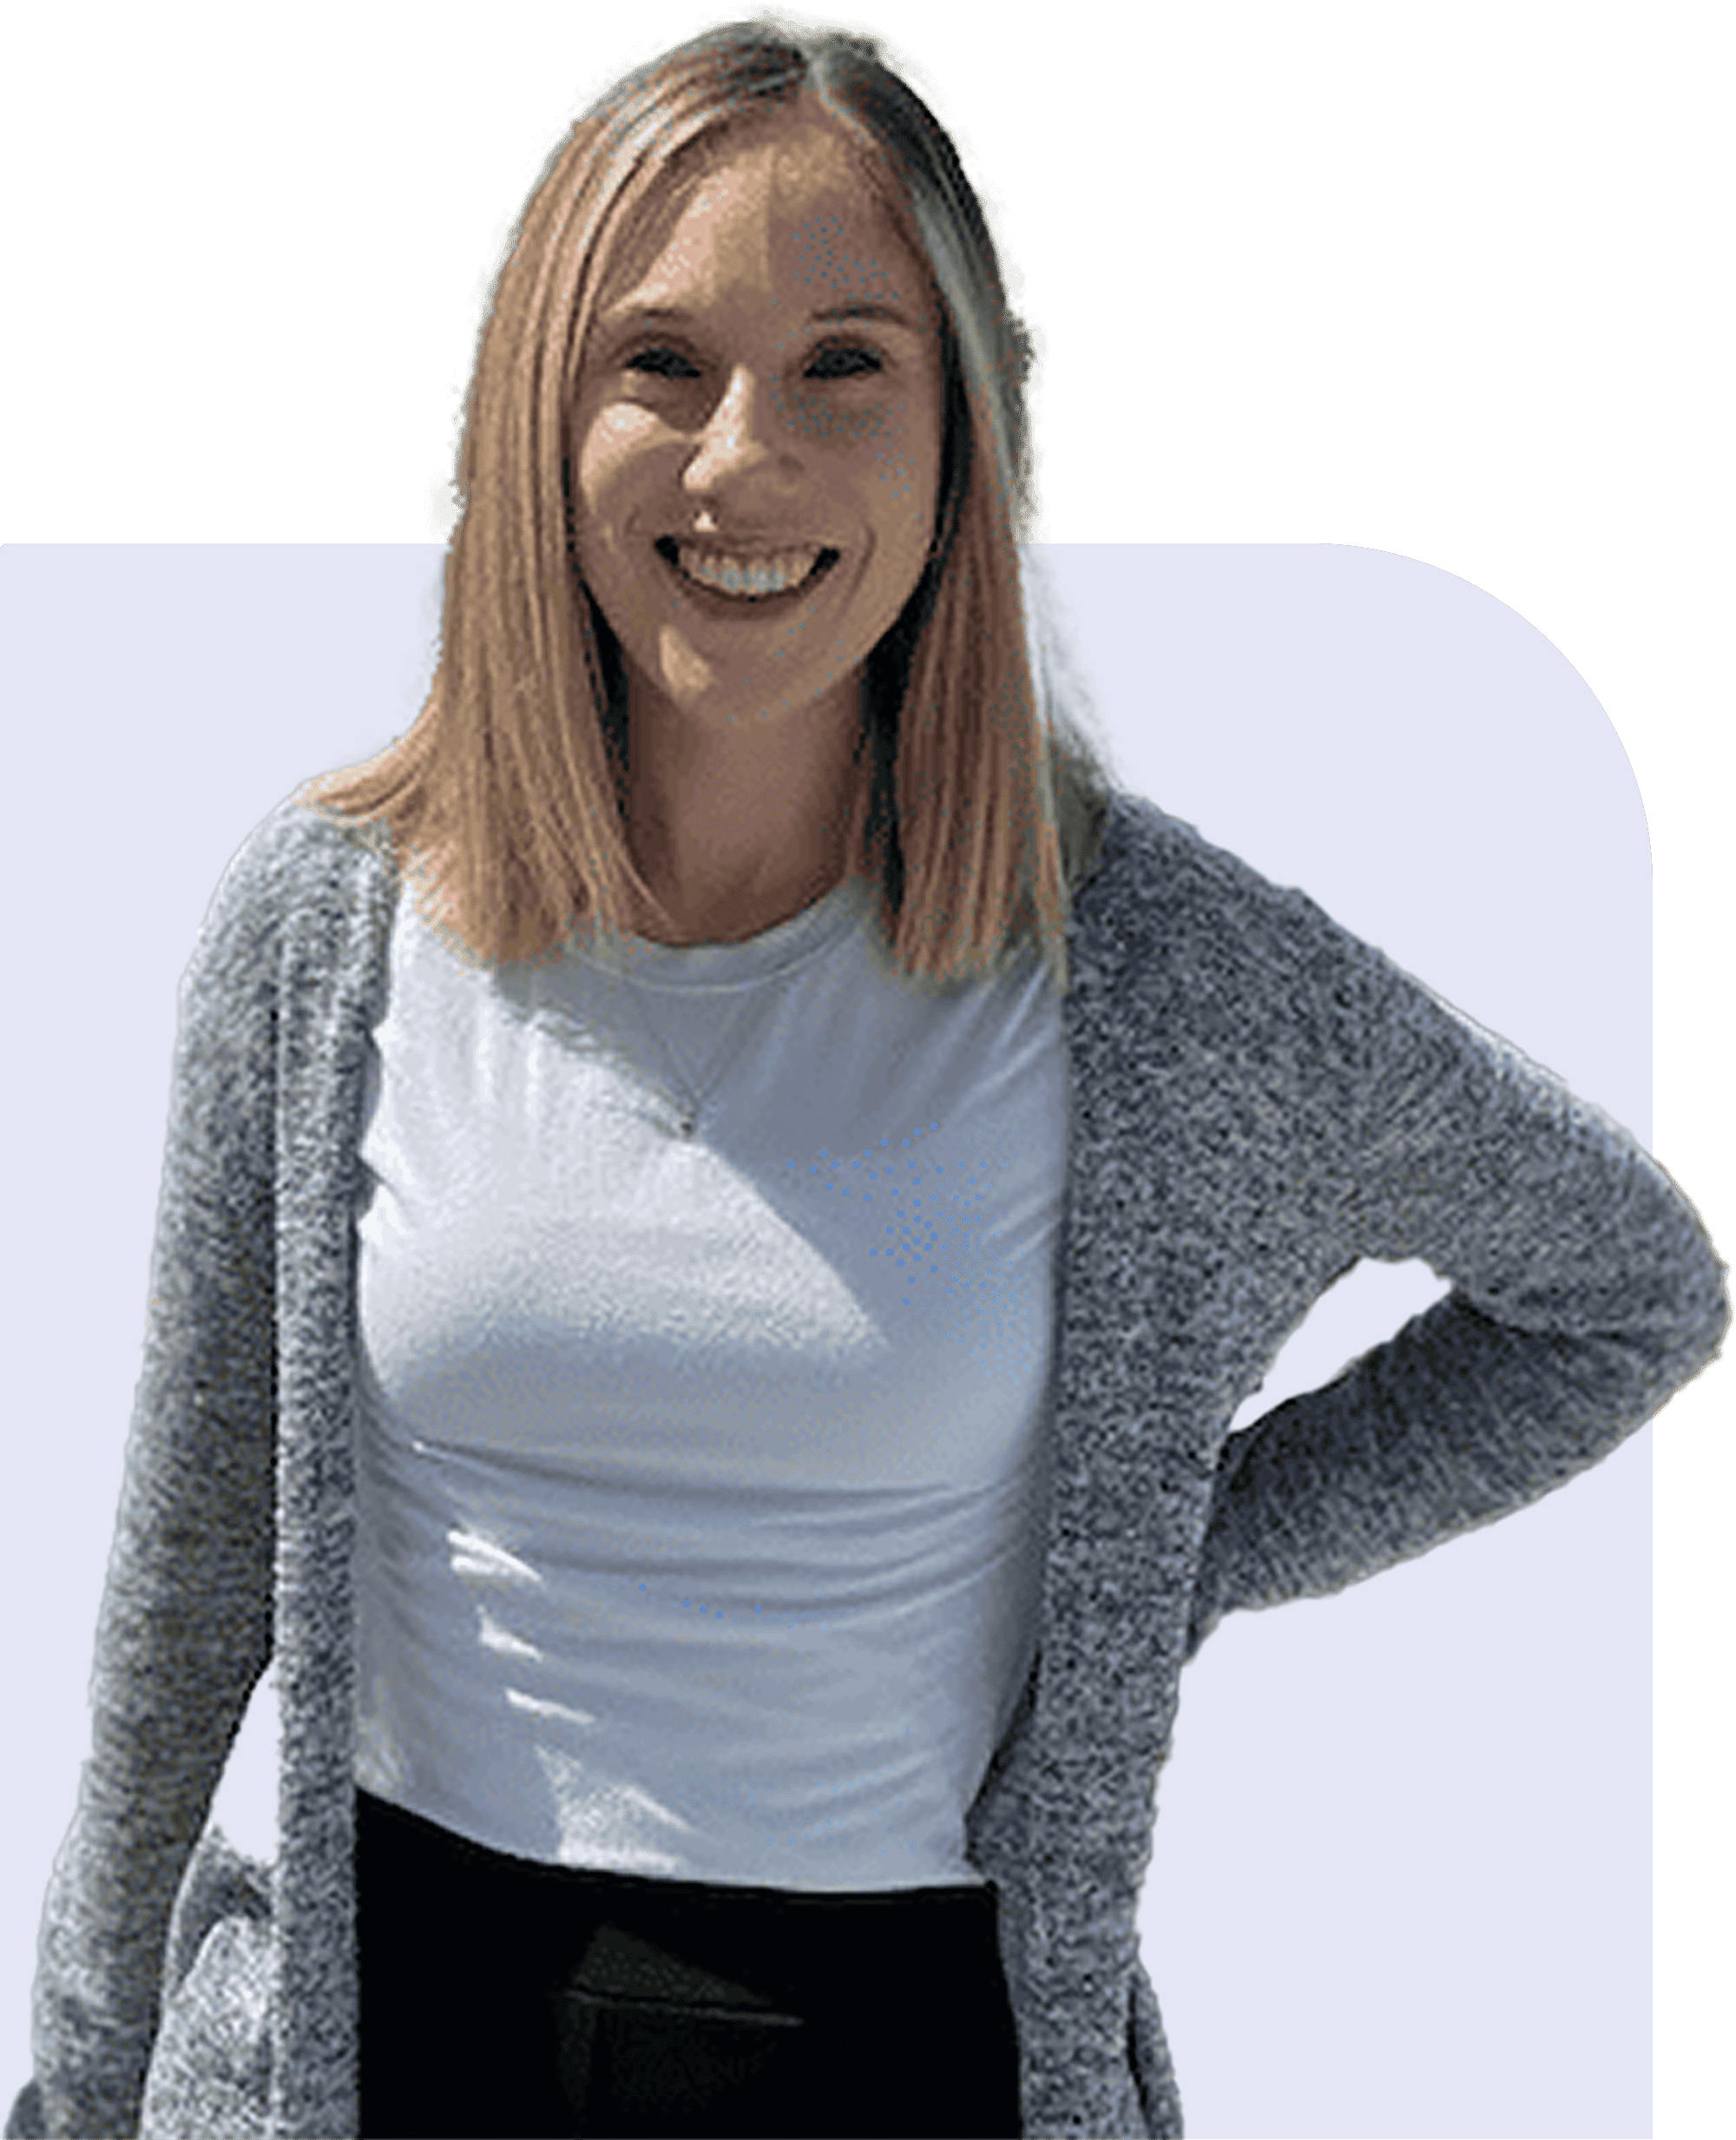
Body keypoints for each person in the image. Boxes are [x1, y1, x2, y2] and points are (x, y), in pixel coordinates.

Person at [7, 14, 1727, 2140]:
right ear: (543, 413)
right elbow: (188, 1588)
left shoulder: (1164, 979)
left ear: (962, 429)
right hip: (379, 2038)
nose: (745, 458)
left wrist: (1173, 1549)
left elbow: (1622, 1291)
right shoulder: (322, 925)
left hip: (907, 2049)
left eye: (844, 366)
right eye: (657, 363)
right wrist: (75, 2088)